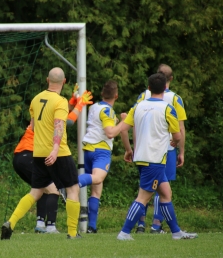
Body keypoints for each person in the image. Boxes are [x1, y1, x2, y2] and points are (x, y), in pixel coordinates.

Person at [1, 67, 86, 240]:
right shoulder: (60, 101)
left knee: (36, 192)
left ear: (48, 80)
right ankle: (72, 233)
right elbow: (59, 126)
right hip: (58, 152)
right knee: (73, 188)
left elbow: (32, 126)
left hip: (38, 153)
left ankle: (11, 222)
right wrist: (55, 149)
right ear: (64, 82)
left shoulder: (36, 99)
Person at [117, 72, 197, 240]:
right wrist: (176, 143)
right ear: (166, 88)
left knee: (166, 193)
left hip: (141, 156)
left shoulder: (138, 106)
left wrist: (129, 149)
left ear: (148, 88)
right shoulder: (168, 108)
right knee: (143, 197)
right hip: (154, 159)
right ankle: (124, 232)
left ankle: (176, 232)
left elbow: (125, 128)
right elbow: (177, 135)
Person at [13, 84, 92, 234]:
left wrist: (72, 102)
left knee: (40, 189)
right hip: (35, 152)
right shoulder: (54, 106)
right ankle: (51, 226)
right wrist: (79, 105)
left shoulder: (39, 100)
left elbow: (58, 115)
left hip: (23, 154)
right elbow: (65, 122)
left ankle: (38, 223)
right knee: (54, 190)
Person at [135, 64, 187, 234]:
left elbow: (135, 121)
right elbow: (180, 127)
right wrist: (181, 151)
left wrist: (135, 147)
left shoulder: (143, 96)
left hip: (144, 149)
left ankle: (141, 224)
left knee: (147, 187)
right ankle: (156, 225)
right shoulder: (174, 99)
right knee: (161, 189)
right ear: (170, 79)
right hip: (166, 149)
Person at [77, 80, 124, 233]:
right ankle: (71, 183)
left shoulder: (94, 107)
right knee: (98, 179)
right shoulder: (108, 111)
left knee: (96, 191)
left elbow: (104, 121)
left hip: (88, 150)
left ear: (102, 93)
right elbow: (110, 132)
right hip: (101, 150)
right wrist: (124, 123)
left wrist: (117, 120)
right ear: (116, 95)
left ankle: (92, 227)